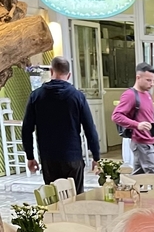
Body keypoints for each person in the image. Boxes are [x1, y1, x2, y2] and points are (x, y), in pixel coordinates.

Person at [21, 56, 100, 194]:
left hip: (48, 158)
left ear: (51, 71)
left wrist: (30, 156)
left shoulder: (36, 96)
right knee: (75, 199)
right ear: (69, 75)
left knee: (55, 201)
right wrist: (96, 157)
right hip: (72, 157)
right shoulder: (77, 96)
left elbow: (27, 129)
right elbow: (89, 128)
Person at [111, 62, 154, 175]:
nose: (151, 84)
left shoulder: (147, 95)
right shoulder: (130, 95)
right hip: (141, 141)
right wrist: (137, 125)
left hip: (149, 139)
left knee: (138, 174)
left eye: (153, 80)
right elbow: (116, 116)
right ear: (138, 77)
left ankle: (126, 190)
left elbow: (148, 115)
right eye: (148, 80)